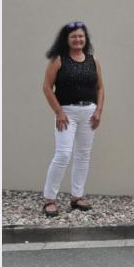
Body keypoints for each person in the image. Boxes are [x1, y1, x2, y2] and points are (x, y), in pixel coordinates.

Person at [41, 21, 105, 217]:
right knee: (63, 154)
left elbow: (100, 88)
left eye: (81, 36)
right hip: (67, 113)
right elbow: (46, 87)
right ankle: (49, 199)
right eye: (74, 37)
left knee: (83, 155)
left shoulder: (93, 60)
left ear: (85, 39)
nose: (78, 39)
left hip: (89, 113)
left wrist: (99, 111)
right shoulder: (58, 60)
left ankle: (77, 196)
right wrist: (59, 112)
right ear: (67, 40)